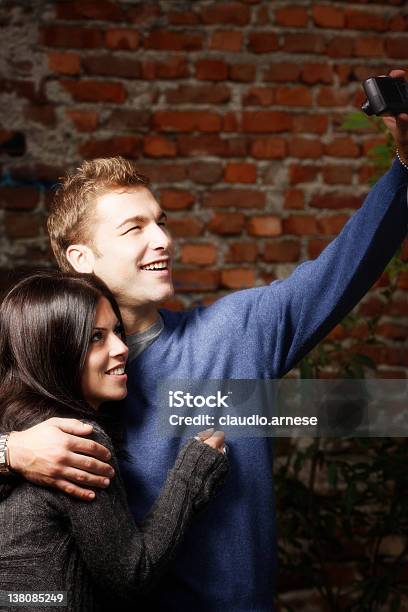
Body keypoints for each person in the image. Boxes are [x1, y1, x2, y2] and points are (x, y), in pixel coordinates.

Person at [3, 70, 408, 611]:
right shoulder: (48, 370)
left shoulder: (237, 331)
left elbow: (348, 264)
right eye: (134, 228)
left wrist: (405, 164)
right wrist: (11, 451)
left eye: (161, 222)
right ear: (81, 257)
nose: (163, 240)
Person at [0, 272, 228, 612]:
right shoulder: (74, 439)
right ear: (55, 350)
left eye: (117, 331)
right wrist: (191, 477)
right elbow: (132, 575)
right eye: (96, 337)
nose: (122, 348)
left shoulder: (15, 420)